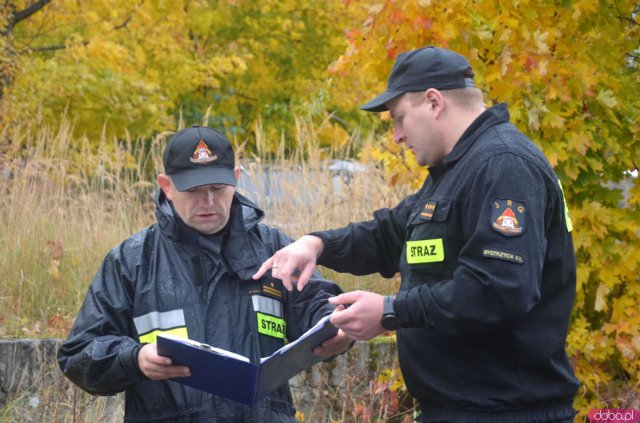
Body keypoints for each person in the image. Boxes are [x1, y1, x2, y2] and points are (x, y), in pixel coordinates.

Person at [254, 46, 580, 422]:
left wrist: (391, 312)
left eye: (399, 119)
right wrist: (318, 244)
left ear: (433, 102)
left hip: (506, 411)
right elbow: (388, 235)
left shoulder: (503, 165)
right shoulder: (456, 172)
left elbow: (498, 289)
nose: (396, 136)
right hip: (458, 410)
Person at [58, 125, 352, 422]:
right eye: (194, 190)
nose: (208, 202)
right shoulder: (131, 261)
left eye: (217, 188)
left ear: (236, 179)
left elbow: (321, 307)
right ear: (167, 186)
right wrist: (135, 360)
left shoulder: (275, 250)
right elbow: (79, 354)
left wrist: (339, 329)